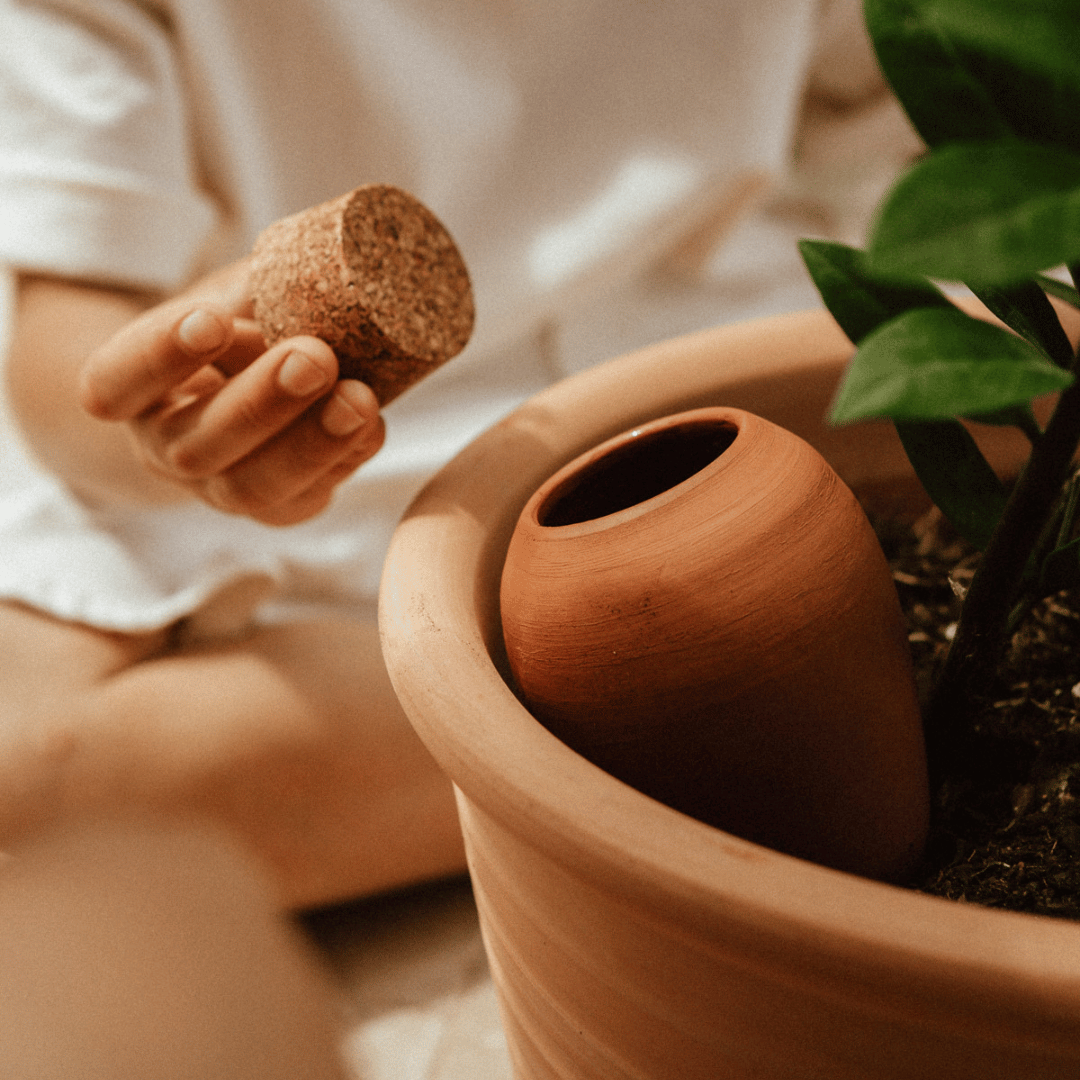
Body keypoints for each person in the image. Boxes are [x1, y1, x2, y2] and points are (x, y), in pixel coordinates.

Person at [0, 0, 916, 908]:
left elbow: (919, 138)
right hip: (293, 471)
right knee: (26, 769)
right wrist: (169, 435)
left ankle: (663, 712)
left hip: (697, 387)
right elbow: (64, 345)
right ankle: (697, 719)